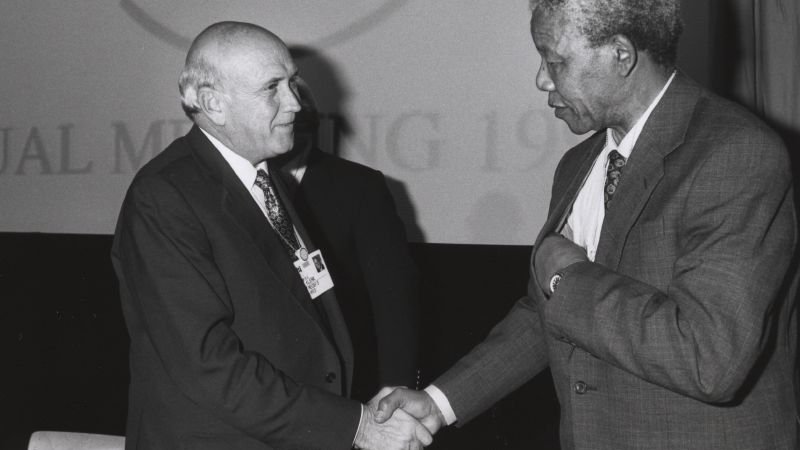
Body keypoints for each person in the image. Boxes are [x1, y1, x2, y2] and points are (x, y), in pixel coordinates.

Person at [375, 1, 799, 449]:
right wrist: (439, 404)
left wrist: (569, 276)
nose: (542, 79)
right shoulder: (579, 163)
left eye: (555, 61)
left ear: (621, 54)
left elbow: (708, 359)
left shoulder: (736, 153)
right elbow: (552, 314)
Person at [111, 21, 431, 450]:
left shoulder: (263, 177)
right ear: (213, 104)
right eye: (272, 88)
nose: (296, 104)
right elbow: (209, 366)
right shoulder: (165, 197)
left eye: (292, 83)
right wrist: (356, 426)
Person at [273, 77, 421, 403]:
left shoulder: (360, 187)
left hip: (341, 387)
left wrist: (396, 390)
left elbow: (393, 301)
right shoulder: (237, 188)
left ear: (311, 122)